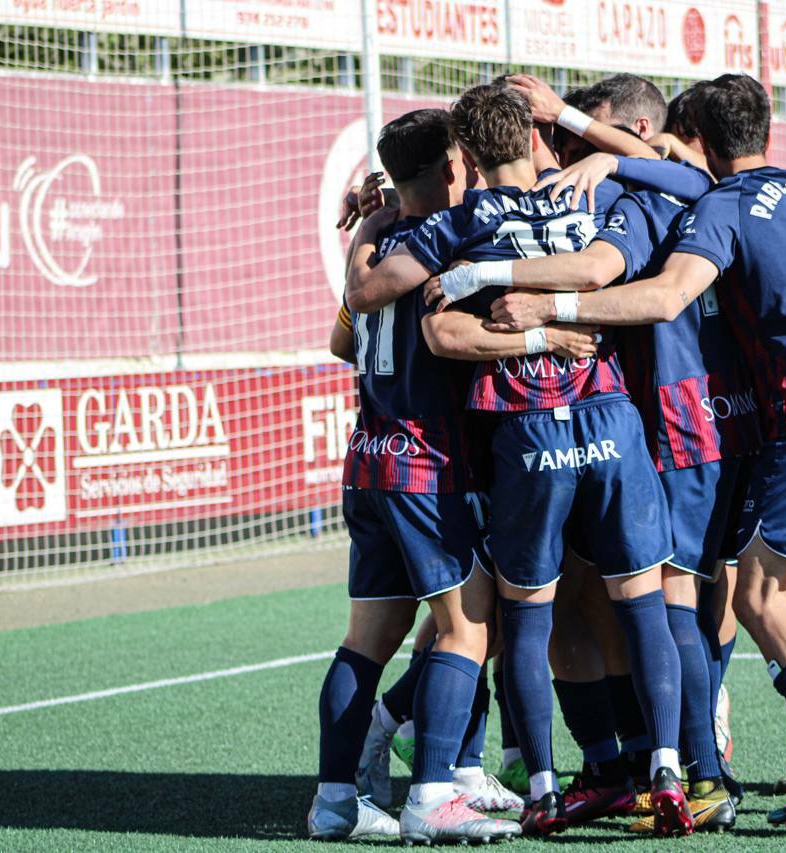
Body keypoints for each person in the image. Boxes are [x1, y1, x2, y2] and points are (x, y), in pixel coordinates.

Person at [471, 73, 786, 827]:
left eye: (593, 136)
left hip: (711, 420)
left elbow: (652, 291)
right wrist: (628, 150)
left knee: (696, 597)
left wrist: (543, 300)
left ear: (670, 132)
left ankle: (741, 764)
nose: (575, 152)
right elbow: (681, 169)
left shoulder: (677, 201)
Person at [351, 82, 697, 838]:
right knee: (643, 602)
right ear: (537, 138)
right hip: (609, 419)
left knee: (521, 614)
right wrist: (605, 158)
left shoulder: (462, 221)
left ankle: (540, 782)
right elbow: (625, 242)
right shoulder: (586, 196)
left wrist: (378, 229)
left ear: (467, 157)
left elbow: (379, 297)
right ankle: (668, 767)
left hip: (524, 430)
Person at [325, 108, 528, 845]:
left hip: (371, 456)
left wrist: (367, 229)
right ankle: (432, 790)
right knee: (471, 626)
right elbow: (438, 330)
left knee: (370, 639)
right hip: (423, 460)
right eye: (461, 160)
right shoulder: (445, 236)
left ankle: (338, 798)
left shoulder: (381, 246)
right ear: (449, 167)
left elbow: (341, 336)